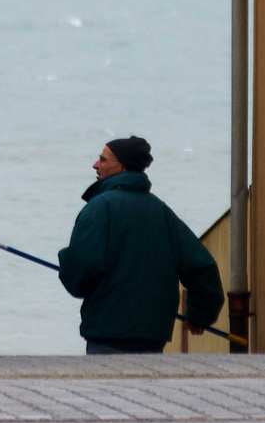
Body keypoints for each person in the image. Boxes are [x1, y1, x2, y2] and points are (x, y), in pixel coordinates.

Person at [58, 136, 224, 355]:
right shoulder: (161, 211)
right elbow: (201, 267)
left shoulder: (99, 208)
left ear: (123, 167)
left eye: (103, 160)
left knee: (107, 389)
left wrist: (66, 262)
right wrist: (200, 316)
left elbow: (80, 272)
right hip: (153, 335)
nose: (95, 165)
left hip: (107, 333)